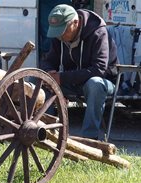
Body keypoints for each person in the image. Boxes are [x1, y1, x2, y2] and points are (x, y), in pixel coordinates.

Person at [42, 4, 118, 140]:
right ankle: (45, 131)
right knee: (39, 80)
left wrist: (62, 78)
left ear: (76, 23)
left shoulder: (98, 32)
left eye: (63, 31)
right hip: (73, 81)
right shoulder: (59, 36)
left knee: (95, 84)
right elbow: (48, 61)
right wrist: (49, 72)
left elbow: (99, 69)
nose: (60, 35)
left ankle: (89, 139)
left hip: (105, 82)